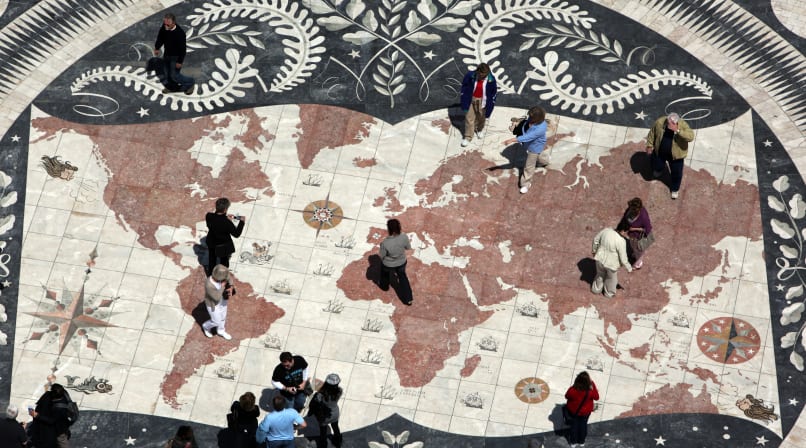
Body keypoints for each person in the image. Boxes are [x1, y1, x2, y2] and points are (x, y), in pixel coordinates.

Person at [645, 112, 695, 199]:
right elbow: (652, 133)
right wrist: (649, 145)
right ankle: (658, 170)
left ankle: (675, 189)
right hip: (660, 152)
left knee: (677, 174)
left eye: (673, 124)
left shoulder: (683, 125)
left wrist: (677, 130)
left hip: (676, 157)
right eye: (668, 123)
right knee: (657, 164)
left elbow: (690, 137)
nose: (669, 125)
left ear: (676, 122)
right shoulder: (660, 122)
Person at [503, 106, 549, 194]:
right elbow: (524, 128)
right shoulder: (532, 120)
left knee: (529, 166)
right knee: (540, 158)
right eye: (529, 116)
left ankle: (525, 184)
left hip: (534, 147)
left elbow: (528, 137)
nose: (529, 118)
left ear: (537, 118)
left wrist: (511, 140)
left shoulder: (540, 128)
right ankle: (544, 161)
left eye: (531, 117)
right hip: (529, 145)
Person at [153, 13, 195, 95]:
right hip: (167, 54)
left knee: (175, 75)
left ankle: (190, 83)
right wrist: (157, 47)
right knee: (167, 73)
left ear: (173, 23)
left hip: (175, 57)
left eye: (168, 25)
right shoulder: (165, 26)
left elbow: (183, 49)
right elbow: (161, 37)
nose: (166, 26)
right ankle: (171, 87)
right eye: (165, 24)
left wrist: (180, 61)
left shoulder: (180, 34)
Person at [459, 63, 497, 147]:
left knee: (481, 117)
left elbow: (493, 92)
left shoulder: (491, 80)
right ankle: (468, 137)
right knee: (469, 118)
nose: (482, 77)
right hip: (471, 98)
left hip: (483, 101)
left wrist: (491, 102)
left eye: (484, 75)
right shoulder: (470, 76)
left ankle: (479, 130)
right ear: (477, 71)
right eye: (481, 75)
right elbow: (464, 86)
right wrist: (463, 95)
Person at [205, 197, 246, 275]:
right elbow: (236, 234)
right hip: (222, 246)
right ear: (225, 209)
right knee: (224, 261)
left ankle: (210, 275)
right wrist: (242, 222)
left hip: (211, 241)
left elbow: (215, 221)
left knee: (212, 259)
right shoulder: (227, 222)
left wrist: (225, 218)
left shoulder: (209, 216)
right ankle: (222, 276)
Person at [378, 218, 413, 305]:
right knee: (403, 277)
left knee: (384, 272)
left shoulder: (385, 243)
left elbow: (382, 255)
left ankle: (384, 286)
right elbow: (408, 248)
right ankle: (408, 299)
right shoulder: (404, 237)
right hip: (401, 262)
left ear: (388, 229)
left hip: (388, 264)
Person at [590, 227, 632, 298]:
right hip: (611, 264)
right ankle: (609, 293)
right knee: (611, 279)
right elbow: (623, 258)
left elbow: (595, 240)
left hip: (600, 258)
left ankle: (596, 289)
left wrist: (594, 251)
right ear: (623, 231)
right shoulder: (621, 241)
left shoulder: (606, 231)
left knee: (600, 274)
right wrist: (629, 268)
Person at [28, 384, 71, 448]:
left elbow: (51, 420)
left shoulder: (59, 408)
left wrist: (37, 416)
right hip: (61, 427)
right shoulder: (64, 394)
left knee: (61, 441)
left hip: (58, 429)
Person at [564, 372, 599, 448]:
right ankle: (581, 442)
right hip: (586, 412)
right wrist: (592, 384)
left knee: (574, 426)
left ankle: (573, 443)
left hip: (574, 411)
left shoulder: (573, 390)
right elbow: (596, 397)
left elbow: (566, 396)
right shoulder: (590, 391)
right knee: (583, 425)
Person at [617, 197, 654, 270]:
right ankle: (635, 254)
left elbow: (647, 229)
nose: (629, 210)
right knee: (634, 247)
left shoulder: (643, 217)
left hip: (638, 237)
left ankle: (638, 264)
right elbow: (625, 218)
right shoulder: (630, 210)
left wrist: (634, 229)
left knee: (639, 251)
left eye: (631, 209)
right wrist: (620, 228)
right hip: (632, 235)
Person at [309, 374, 343, 448]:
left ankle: (323, 445)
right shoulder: (340, 391)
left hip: (324, 417)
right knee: (335, 427)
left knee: (323, 432)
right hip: (335, 413)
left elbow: (315, 404)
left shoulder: (321, 395)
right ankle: (338, 441)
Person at [202, 264, 234, 340]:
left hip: (223, 300)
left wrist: (231, 287)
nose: (226, 276)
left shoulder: (222, 276)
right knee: (216, 321)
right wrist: (223, 286)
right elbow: (216, 298)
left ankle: (221, 331)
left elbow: (228, 277)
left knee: (223, 317)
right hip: (213, 304)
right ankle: (206, 326)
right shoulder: (209, 284)